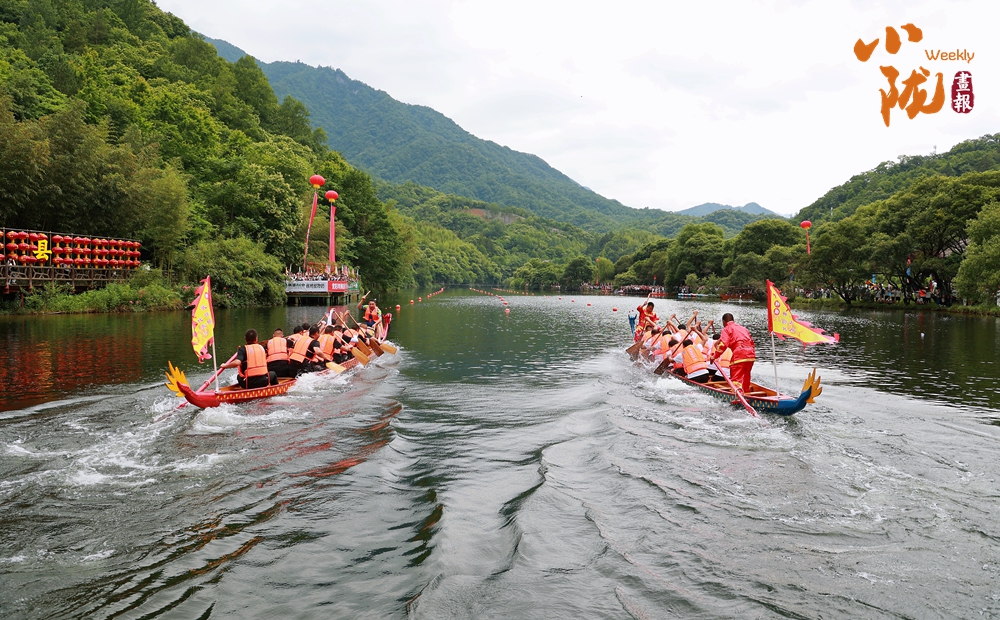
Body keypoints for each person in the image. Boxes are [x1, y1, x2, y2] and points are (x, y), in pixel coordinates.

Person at [714, 312, 756, 392]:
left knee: (736, 376)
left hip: (739, 353)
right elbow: (752, 342)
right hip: (751, 353)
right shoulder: (743, 328)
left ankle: (737, 393)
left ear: (724, 322)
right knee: (746, 374)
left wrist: (715, 356)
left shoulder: (726, 329)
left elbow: (723, 344)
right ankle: (746, 391)